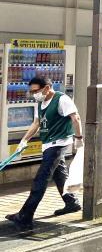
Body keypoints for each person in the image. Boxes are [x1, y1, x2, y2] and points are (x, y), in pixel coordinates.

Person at [5, 77, 83, 230]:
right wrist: (24, 141)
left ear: (47, 88)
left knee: (41, 179)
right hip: (48, 144)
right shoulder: (41, 103)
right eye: (32, 92)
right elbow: (37, 123)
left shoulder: (62, 99)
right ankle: (71, 202)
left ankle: (25, 216)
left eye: (36, 91)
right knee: (60, 175)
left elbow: (76, 118)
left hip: (58, 144)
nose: (34, 94)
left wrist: (79, 138)